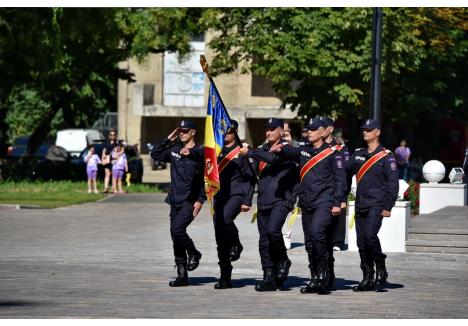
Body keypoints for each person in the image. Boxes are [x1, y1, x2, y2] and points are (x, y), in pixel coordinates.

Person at [264, 118, 346, 294]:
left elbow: (340, 180)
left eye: (313, 129)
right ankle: (315, 278)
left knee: (317, 233)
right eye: (308, 129)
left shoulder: (333, 152)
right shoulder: (303, 150)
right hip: (307, 201)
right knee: (309, 242)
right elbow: (290, 151)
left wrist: (338, 202)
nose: (309, 132)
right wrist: (281, 147)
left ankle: (324, 276)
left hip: (324, 202)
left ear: (323, 132)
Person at [239, 117, 298, 291]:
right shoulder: (260, 150)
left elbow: (273, 158)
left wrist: (249, 153)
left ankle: (283, 261)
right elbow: (251, 175)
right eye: (267, 129)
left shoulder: (288, 149)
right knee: (264, 241)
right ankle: (268, 276)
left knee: (273, 231)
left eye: (273, 129)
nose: (269, 132)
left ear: (281, 131)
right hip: (264, 200)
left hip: (282, 199)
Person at [150, 120, 206, 287]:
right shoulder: (174, 150)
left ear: (193, 132)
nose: (182, 133)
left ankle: (194, 252)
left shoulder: (200, 152)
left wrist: (201, 199)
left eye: (185, 131)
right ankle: (182, 275)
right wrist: (169, 137)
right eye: (180, 131)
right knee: (176, 236)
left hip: (190, 201)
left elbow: (206, 177)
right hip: (175, 200)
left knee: (177, 229)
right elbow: (155, 154)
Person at [346, 119, 399, 291]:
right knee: (361, 243)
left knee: (369, 236)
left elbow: (393, 184)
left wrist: (388, 207)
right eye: (363, 130)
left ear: (377, 132)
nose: (365, 132)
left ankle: (380, 263)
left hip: (377, 204)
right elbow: (344, 171)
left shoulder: (386, 156)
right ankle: (367, 277)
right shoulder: (358, 154)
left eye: (368, 130)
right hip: (361, 203)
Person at [212, 120, 256, 289]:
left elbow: (251, 178)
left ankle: (236, 243)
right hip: (219, 195)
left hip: (237, 193)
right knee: (219, 235)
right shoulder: (216, 150)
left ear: (235, 132)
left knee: (226, 219)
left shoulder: (243, 150)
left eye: (229, 132)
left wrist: (247, 200)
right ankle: (225, 275)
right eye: (223, 131)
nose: (225, 134)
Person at [320, 116, 351, 289]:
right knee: (318, 238)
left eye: (322, 127)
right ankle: (320, 274)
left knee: (328, 240)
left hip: (333, 199)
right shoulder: (312, 148)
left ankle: (328, 274)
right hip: (318, 199)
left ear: (330, 129)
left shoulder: (341, 149)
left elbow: (344, 176)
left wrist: (342, 199)